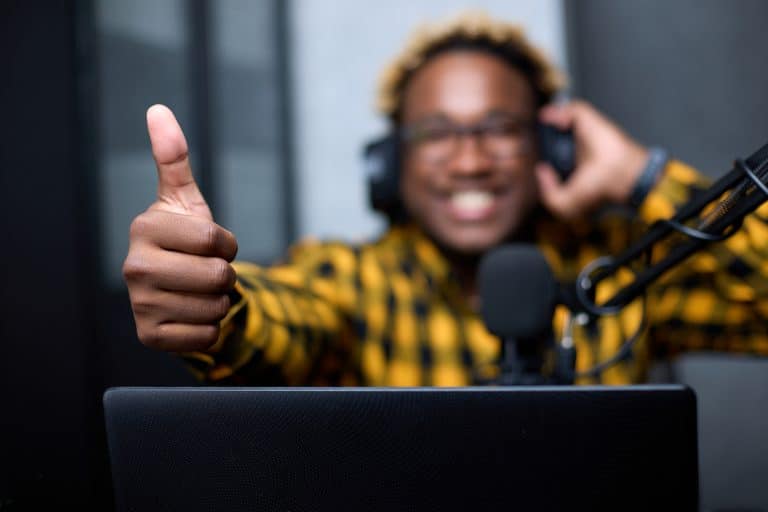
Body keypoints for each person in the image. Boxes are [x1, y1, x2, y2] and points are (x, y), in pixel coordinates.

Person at [123, 11, 768, 387]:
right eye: (435, 134)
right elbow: (282, 318)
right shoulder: (353, 279)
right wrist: (213, 302)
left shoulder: (622, 276)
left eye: (500, 129)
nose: (468, 160)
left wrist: (641, 174)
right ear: (390, 165)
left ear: (552, 149)